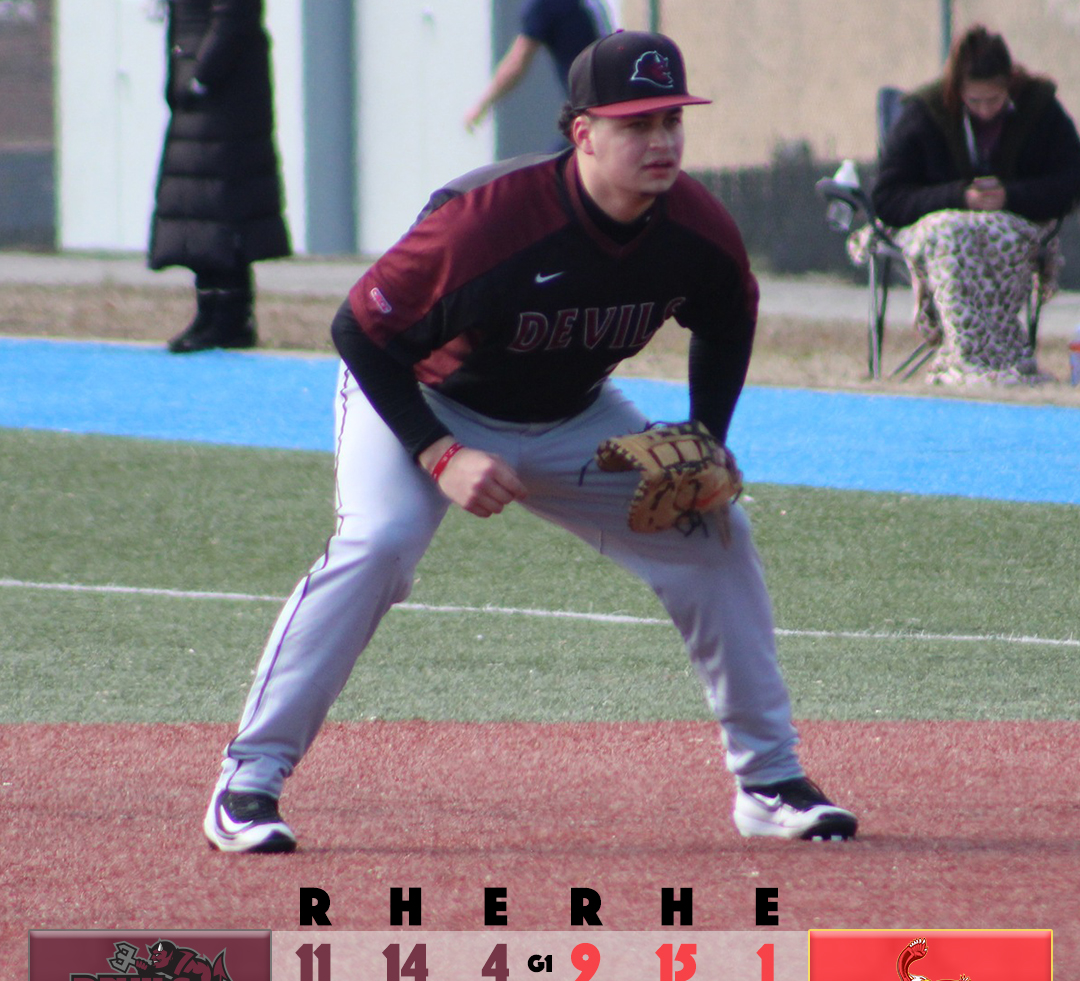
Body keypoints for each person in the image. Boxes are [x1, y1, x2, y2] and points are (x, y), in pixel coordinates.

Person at [203, 29, 858, 854]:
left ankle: (769, 783)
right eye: (635, 124)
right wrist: (438, 454)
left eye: (670, 122)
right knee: (379, 545)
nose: (659, 143)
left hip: (573, 412)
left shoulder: (694, 225)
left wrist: (704, 442)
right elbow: (360, 331)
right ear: (582, 132)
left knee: (715, 533)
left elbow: (727, 320)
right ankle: (248, 782)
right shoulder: (487, 221)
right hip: (425, 399)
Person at [870, 24, 1080, 384]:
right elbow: (887, 198)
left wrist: (1010, 197)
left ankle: (1001, 355)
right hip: (940, 229)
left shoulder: (1039, 110)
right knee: (952, 233)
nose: (985, 111)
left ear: (1010, 85)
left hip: (1013, 224)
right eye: (975, 101)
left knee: (997, 236)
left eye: (995, 100)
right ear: (957, 92)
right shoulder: (924, 113)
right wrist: (958, 196)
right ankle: (964, 354)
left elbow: (1069, 182)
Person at [148, 0, 291, 353]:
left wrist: (202, 75)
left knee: (223, 202)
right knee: (199, 207)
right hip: (198, 88)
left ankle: (231, 315)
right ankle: (210, 310)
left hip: (224, 94)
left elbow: (234, 18)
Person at [464, 0, 615, 133]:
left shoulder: (544, 4)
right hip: (612, 101)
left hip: (591, 109)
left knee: (560, 163)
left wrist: (482, 106)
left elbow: (517, 62)